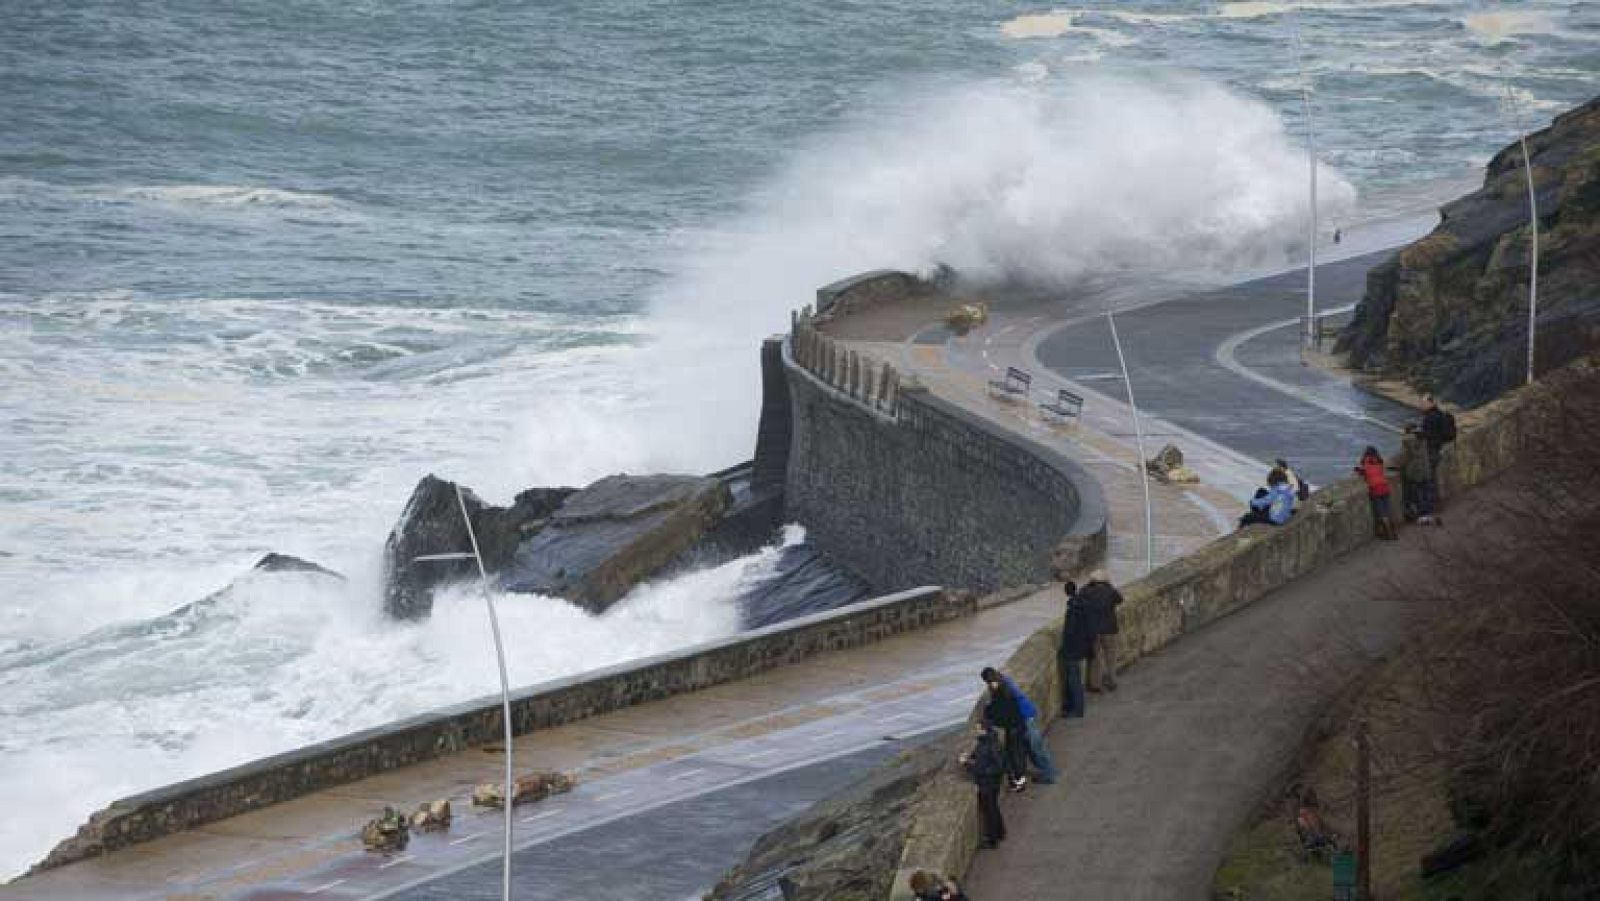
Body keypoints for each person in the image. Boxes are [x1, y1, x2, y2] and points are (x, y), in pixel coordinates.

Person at [982, 666, 1057, 784]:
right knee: (1033, 748)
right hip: (1027, 717)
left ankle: (1049, 774)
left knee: (1036, 748)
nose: (990, 685)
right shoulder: (1005, 681)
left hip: (1025, 719)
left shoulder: (1005, 689)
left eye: (989, 682)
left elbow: (1005, 708)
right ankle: (1047, 772)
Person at [981, 669, 1030, 791]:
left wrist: (988, 712)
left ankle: (1019, 782)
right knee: (1018, 752)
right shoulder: (1006, 685)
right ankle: (1020, 778)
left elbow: (998, 710)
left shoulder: (1001, 692)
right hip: (1018, 724)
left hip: (1013, 727)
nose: (989, 685)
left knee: (1015, 753)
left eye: (988, 682)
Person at [959, 725, 1007, 849]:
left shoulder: (988, 745)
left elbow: (992, 767)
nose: (976, 731)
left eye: (978, 729)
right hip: (992, 782)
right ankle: (1000, 832)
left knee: (989, 811)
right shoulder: (989, 742)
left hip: (988, 783)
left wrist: (966, 764)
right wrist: (970, 758)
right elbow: (980, 758)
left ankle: (992, 839)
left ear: (984, 730)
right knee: (993, 808)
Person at [1079, 570, 1124, 692]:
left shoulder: (1086, 591)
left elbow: (1079, 599)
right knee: (1110, 656)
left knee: (1095, 658)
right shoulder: (1110, 591)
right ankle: (1111, 681)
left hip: (1093, 629)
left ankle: (1095, 684)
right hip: (1109, 629)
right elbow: (1120, 599)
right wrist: (1110, 585)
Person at [1058, 580, 1095, 718]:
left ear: (1067, 592)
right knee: (1075, 678)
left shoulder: (1073, 608)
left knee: (1074, 680)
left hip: (1073, 649)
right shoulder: (1083, 604)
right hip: (1082, 647)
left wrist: (1064, 647)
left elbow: (1070, 631)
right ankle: (1075, 708)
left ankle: (1077, 710)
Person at [1396, 426, 1440, 525]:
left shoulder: (1408, 442)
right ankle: (1428, 513)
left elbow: (1403, 457)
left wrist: (1394, 466)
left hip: (1415, 472)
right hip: (1425, 470)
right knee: (1426, 491)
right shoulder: (1423, 438)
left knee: (1416, 494)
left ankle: (1421, 515)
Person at [1355, 446, 1397, 540]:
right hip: (1385, 487)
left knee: (1381, 513)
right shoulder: (1379, 461)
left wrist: (1358, 470)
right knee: (1387, 510)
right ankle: (1394, 533)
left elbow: (1363, 471)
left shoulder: (1366, 462)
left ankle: (1387, 533)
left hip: (1375, 489)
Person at [1419, 396, 1457, 479]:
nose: (1421, 406)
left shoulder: (1430, 417)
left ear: (1430, 403)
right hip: (1443, 446)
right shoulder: (1441, 414)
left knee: (1432, 474)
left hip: (1434, 448)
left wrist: (1418, 434)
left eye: (1423, 403)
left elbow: (1429, 434)